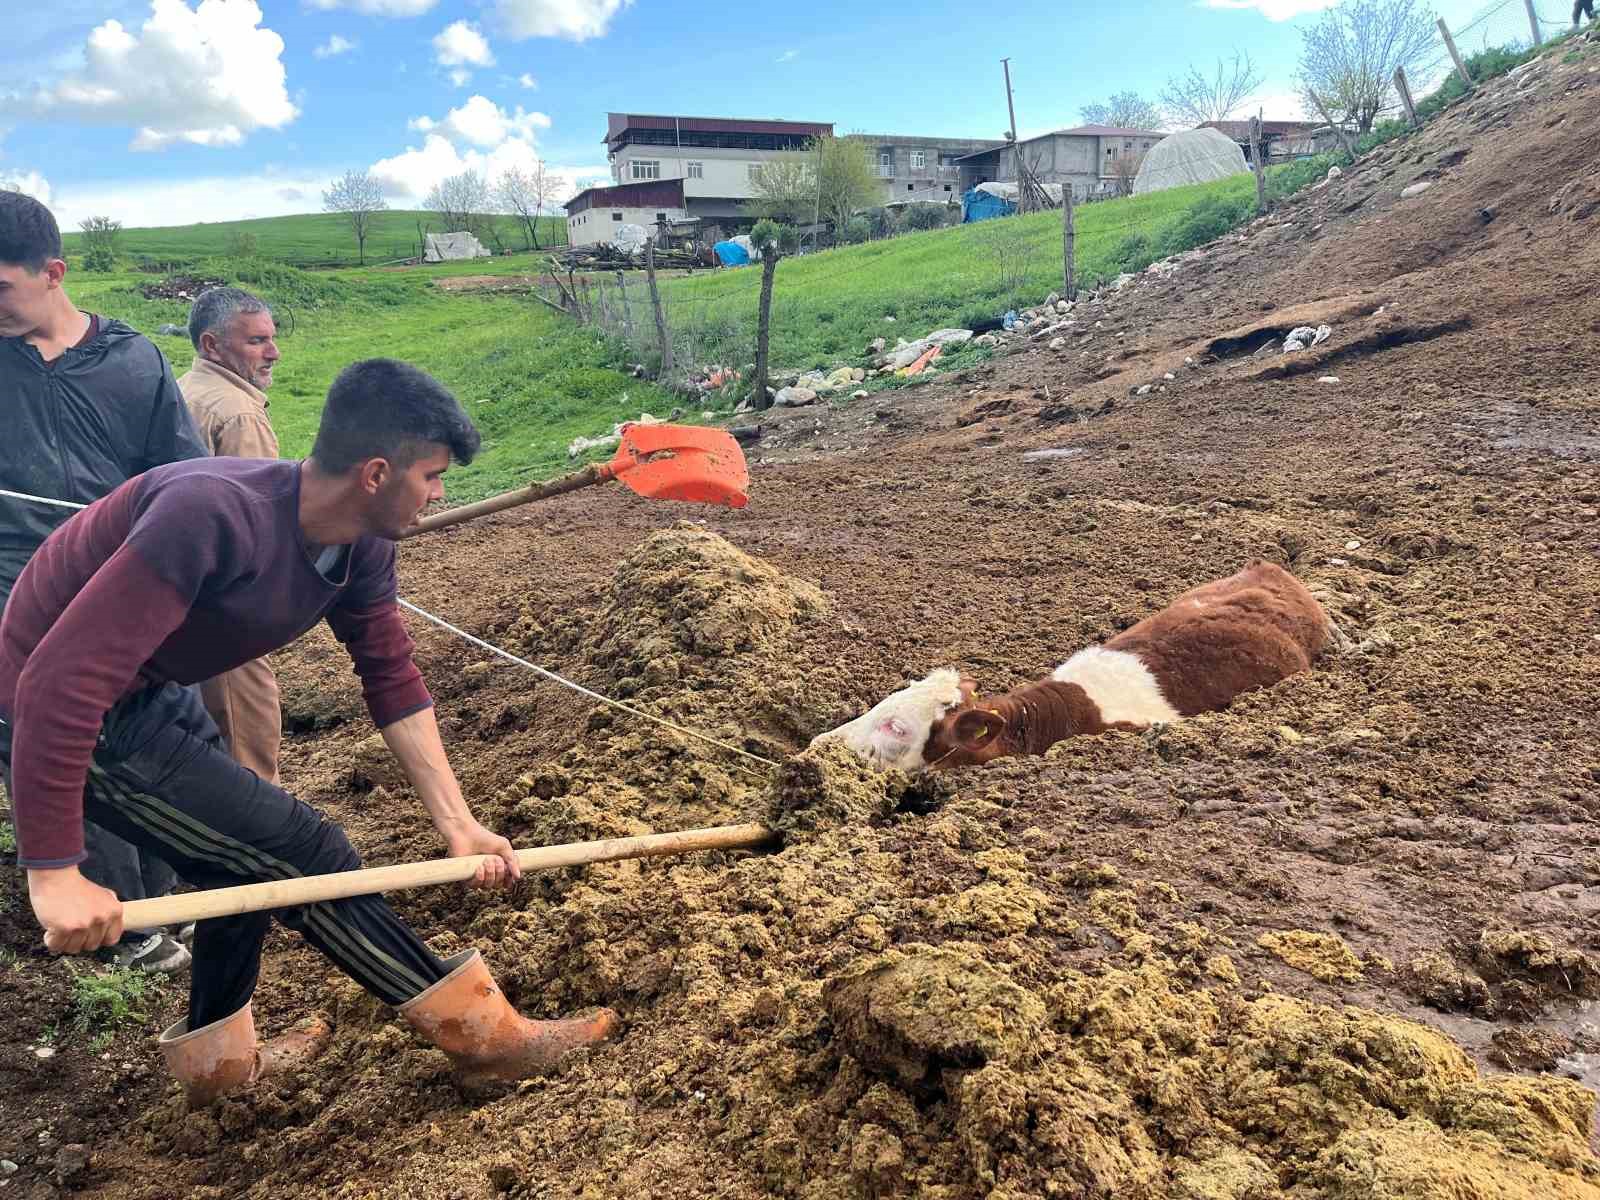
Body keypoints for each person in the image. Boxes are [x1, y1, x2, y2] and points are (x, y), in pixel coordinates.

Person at [0, 359, 619, 1106]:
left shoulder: (362, 547)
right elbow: (56, 683)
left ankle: (218, 1072)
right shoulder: (209, 513)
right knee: (304, 851)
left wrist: (459, 824)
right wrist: (54, 870)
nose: (439, 494)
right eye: (431, 476)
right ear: (376, 472)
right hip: (54, 708)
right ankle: (489, 1044)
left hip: (148, 690)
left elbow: (390, 677)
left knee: (242, 861)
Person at [0, 189, 202, 974]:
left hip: (117, 586)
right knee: (52, 742)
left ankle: (173, 888)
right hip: (13, 591)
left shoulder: (132, 359)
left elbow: (179, 477)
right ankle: (117, 926)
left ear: (54, 272)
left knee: (150, 724)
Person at [178, 287, 283, 783]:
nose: (273, 353)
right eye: (257, 342)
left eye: (272, 339)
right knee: (248, 744)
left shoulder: (182, 391)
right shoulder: (237, 414)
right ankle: (262, 852)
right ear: (211, 345)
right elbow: (259, 522)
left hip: (175, 594)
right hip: (225, 605)